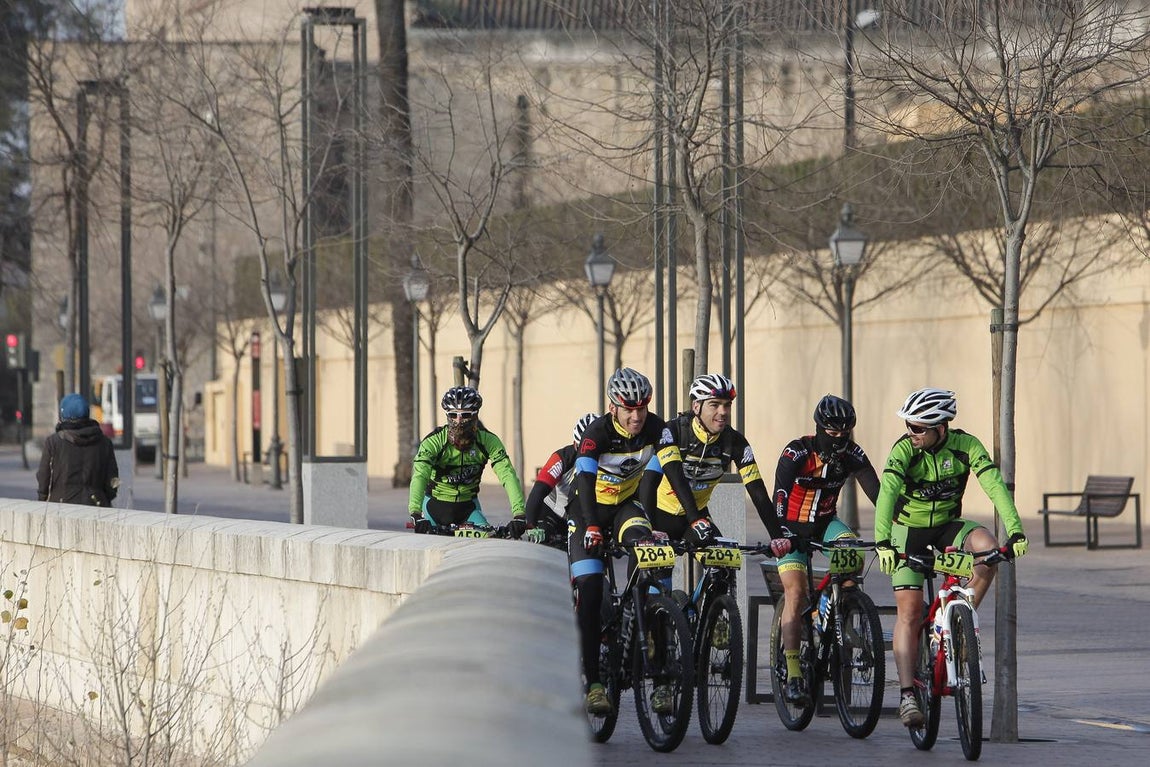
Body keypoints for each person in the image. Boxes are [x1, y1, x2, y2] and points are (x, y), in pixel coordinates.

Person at [873, 387, 1029, 727]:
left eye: (918, 428)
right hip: (908, 530)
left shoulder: (966, 446)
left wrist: (1014, 531)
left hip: (946, 524)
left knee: (987, 548)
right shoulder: (904, 450)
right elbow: (886, 493)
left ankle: (959, 623)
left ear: (940, 428)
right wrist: (883, 541)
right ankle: (906, 696)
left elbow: (994, 485)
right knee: (910, 612)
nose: (910, 433)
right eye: (909, 426)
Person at [571, 367, 699, 716]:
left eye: (642, 408)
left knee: (654, 568)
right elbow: (582, 483)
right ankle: (595, 685)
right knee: (591, 587)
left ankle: (660, 682)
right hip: (587, 512)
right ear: (613, 408)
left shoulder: (657, 429)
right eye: (629, 409)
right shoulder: (596, 434)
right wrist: (593, 528)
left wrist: (691, 518)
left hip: (626, 508)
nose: (636, 416)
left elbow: (674, 467)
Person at [769, 394, 881, 706]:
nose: (839, 440)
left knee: (854, 554)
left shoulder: (852, 454)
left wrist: (895, 528)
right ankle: (793, 673)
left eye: (845, 434)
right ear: (819, 429)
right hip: (791, 526)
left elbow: (878, 494)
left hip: (825, 523)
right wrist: (780, 534)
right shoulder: (797, 452)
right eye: (832, 434)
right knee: (795, 592)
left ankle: (839, 610)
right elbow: (779, 494)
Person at [638, 372, 774, 559]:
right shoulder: (673, 432)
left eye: (727, 405)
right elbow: (649, 481)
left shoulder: (734, 442)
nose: (723, 412)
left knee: (722, 568)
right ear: (696, 406)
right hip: (659, 514)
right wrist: (649, 527)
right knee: (655, 579)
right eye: (714, 404)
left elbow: (758, 492)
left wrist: (777, 536)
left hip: (698, 517)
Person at [408, 386, 527, 536]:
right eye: (453, 415)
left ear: (475, 416)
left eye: (465, 415)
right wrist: (415, 513)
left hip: (467, 509)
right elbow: (420, 476)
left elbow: (507, 475)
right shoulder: (434, 441)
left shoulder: (488, 441)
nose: (458, 421)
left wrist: (519, 514)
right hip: (434, 507)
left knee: (490, 541)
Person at [522, 412, 598, 545]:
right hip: (553, 514)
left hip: (584, 517)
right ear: (575, 443)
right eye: (581, 449)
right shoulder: (562, 457)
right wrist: (530, 525)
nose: (587, 454)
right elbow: (539, 490)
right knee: (544, 538)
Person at [36, 393, 120, 507]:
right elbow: (113, 479)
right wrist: (104, 497)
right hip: (96, 505)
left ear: (62, 415)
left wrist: (43, 499)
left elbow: (44, 477)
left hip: (60, 506)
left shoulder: (53, 442)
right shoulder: (105, 443)